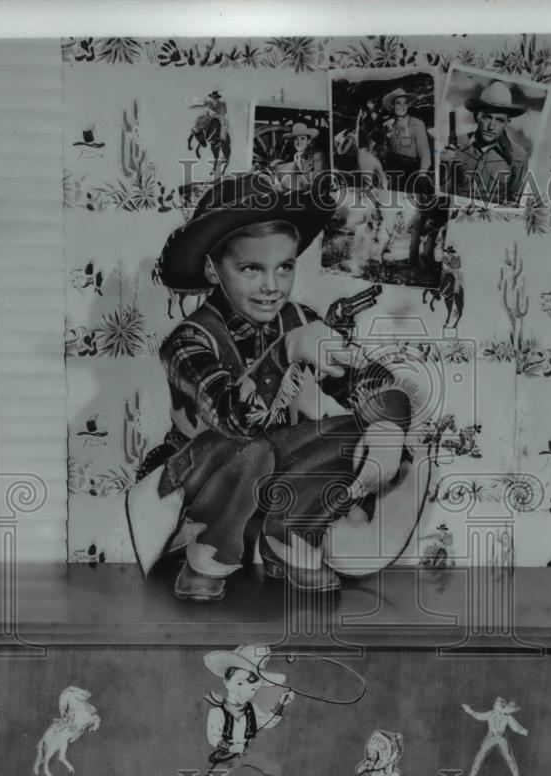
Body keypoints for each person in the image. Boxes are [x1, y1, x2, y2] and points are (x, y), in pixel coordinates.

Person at [126, 172, 415, 601]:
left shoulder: (300, 320)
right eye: (250, 269)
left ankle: (290, 537)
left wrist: (387, 426)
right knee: (252, 450)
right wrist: (286, 352)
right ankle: (208, 556)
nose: (272, 286)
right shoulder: (188, 342)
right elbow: (232, 420)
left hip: (271, 478)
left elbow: (371, 381)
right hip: (200, 481)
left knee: (354, 434)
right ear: (212, 268)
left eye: (284, 266)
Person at [201, 644, 293, 776]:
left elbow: (269, 721)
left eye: (253, 688)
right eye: (240, 684)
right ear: (226, 681)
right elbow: (213, 738)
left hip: (246, 753)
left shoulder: (251, 709)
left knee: (274, 771)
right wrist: (230, 746)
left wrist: (281, 705)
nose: (246, 692)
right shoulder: (217, 712)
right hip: (227, 756)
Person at [442, 80, 530, 206]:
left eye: (499, 120)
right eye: (487, 117)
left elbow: (514, 204)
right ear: (477, 116)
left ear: (506, 123)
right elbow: (439, 189)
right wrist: (442, 165)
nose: (491, 127)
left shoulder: (518, 157)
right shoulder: (457, 145)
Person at [380, 87, 431, 189]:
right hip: (392, 173)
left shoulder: (417, 124)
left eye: (405, 103)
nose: (402, 106)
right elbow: (384, 153)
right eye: (398, 103)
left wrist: (422, 174)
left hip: (411, 173)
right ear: (392, 105)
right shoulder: (387, 125)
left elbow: (425, 154)